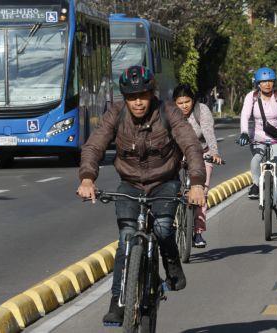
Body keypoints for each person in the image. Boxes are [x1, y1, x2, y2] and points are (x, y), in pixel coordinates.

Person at [76, 66, 206, 325]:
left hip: (164, 181)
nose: (137, 102)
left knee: (163, 228)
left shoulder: (168, 112)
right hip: (130, 183)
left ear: (152, 93)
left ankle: (171, 265)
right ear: (124, 97)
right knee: (126, 238)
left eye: (143, 95)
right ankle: (117, 301)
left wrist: (197, 183)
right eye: (131, 96)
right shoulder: (116, 113)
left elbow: (190, 145)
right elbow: (95, 144)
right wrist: (88, 178)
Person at [238, 67, 277, 221]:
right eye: (263, 82)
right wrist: (244, 133)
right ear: (258, 83)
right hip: (258, 136)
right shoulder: (251, 97)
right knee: (257, 158)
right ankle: (256, 185)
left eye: (270, 81)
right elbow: (245, 115)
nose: (267, 84)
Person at [173, 83, 223, 248]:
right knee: (169, 186)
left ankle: (198, 232)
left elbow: (208, 132)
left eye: (187, 101)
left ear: (193, 100)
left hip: (202, 153)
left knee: (202, 192)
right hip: (178, 153)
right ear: (174, 103)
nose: (184, 106)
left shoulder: (201, 110)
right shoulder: (170, 113)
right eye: (180, 103)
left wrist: (214, 153)